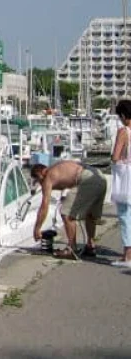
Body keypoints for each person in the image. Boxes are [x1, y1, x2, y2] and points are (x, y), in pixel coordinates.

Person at [30, 159, 107, 259]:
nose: (40, 183)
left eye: (38, 179)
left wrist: (37, 229)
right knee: (90, 214)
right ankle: (90, 246)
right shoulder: (56, 167)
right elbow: (67, 180)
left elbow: (44, 206)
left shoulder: (48, 176)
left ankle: (72, 249)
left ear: (40, 173)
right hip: (100, 177)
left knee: (66, 213)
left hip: (86, 179)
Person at [110, 99, 131, 267]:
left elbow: (115, 156)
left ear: (124, 116)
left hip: (126, 179)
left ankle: (128, 256)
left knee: (125, 216)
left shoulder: (124, 131)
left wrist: (121, 158)